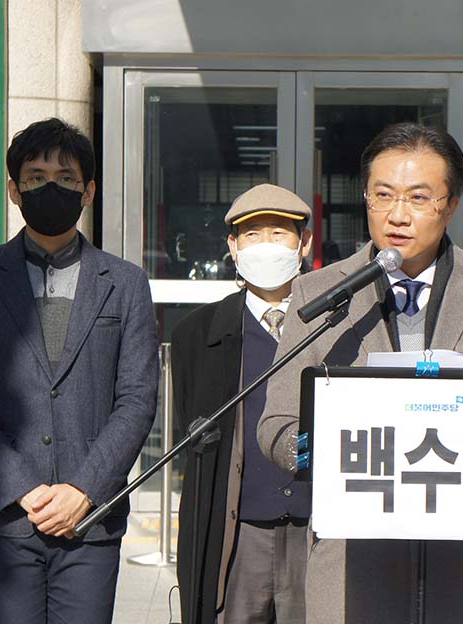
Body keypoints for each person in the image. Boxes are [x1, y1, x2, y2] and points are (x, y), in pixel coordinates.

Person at [256, 122, 463, 623]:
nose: (397, 215)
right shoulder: (317, 295)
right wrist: (315, 449)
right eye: (383, 195)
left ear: (451, 206)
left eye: (418, 198)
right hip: (352, 569)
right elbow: (276, 422)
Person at [0, 118, 159, 624]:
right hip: (3, 515)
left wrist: (85, 487)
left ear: (89, 191)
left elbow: (137, 397)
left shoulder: (126, 283)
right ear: (14, 191)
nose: (50, 187)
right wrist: (23, 486)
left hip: (90, 517)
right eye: (36, 178)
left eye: (65, 177)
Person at [172, 183, 314, 624]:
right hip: (239, 528)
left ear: (304, 244)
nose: (266, 245)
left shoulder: (333, 324)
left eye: (279, 234)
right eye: (253, 235)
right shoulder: (197, 333)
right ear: (233, 247)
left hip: (315, 528)